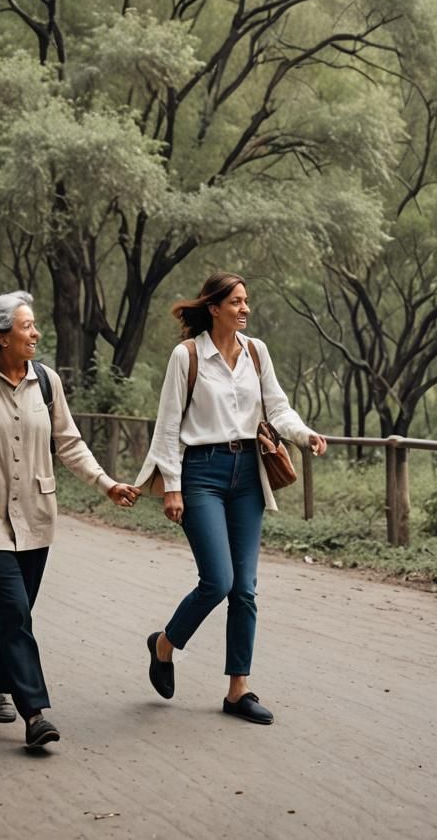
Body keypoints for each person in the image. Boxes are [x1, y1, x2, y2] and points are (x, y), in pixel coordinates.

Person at [0, 291, 139, 749]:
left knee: (14, 612)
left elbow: (70, 443)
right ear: (1, 336)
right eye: (27, 327)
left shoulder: (47, 381)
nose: (36, 333)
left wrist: (107, 483)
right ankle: (35, 713)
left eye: (35, 325)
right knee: (15, 611)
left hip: (37, 515)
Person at [133, 272, 327, 726]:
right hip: (201, 472)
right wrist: (173, 486)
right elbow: (167, 424)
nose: (245, 309)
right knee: (217, 581)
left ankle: (238, 689)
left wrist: (304, 434)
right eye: (237, 302)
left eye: (247, 302)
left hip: (247, 474)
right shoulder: (187, 357)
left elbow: (276, 408)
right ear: (214, 307)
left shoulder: (256, 353)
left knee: (245, 588)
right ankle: (165, 644)